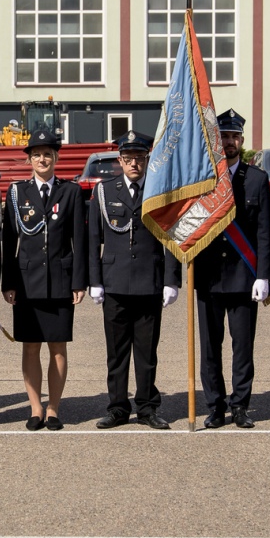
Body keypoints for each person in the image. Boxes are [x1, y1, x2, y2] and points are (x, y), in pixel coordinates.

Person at [88, 130, 181, 429]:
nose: (134, 164)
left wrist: (171, 279)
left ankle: (147, 407)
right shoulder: (104, 191)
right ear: (120, 160)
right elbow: (93, 241)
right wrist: (95, 280)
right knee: (116, 353)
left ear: (147, 159)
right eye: (128, 159)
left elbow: (171, 237)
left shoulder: (160, 190)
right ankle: (117, 407)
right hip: (114, 282)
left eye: (139, 158)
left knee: (146, 352)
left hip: (149, 281)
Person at [2, 128, 87, 430]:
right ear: (29, 159)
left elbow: (80, 240)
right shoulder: (16, 193)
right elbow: (8, 241)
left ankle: (54, 407)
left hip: (61, 281)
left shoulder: (71, 192)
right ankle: (35, 407)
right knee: (30, 347)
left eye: (47, 154)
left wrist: (79, 282)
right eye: (36, 154)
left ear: (56, 158)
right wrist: (8, 283)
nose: (42, 159)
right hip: (27, 282)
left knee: (58, 347)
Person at [191, 109, 270, 429]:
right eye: (223, 136)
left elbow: (264, 232)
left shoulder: (257, 179)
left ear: (242, 140)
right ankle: (215, 405)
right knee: (210, 348)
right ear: (216, 141)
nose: (229, 141)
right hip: (208, 276)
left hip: (243, 276)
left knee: (243, 347)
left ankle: (240, 405)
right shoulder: (202, 180)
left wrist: (263, 275)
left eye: (234, 136)